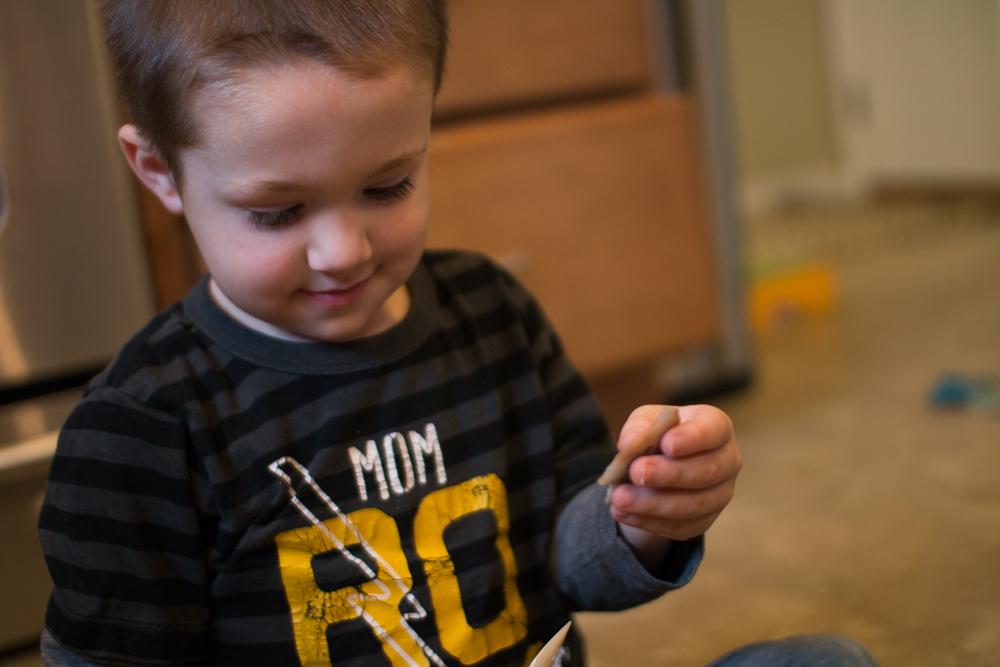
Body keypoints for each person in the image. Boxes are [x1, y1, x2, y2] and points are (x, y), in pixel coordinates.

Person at [37, 1, 877, 666]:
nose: (343, 251)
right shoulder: (141, 428)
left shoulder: (492, 311)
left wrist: (648, 514)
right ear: (160, 170)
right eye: (278, 211)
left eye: (387, 186)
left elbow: (571, 560)